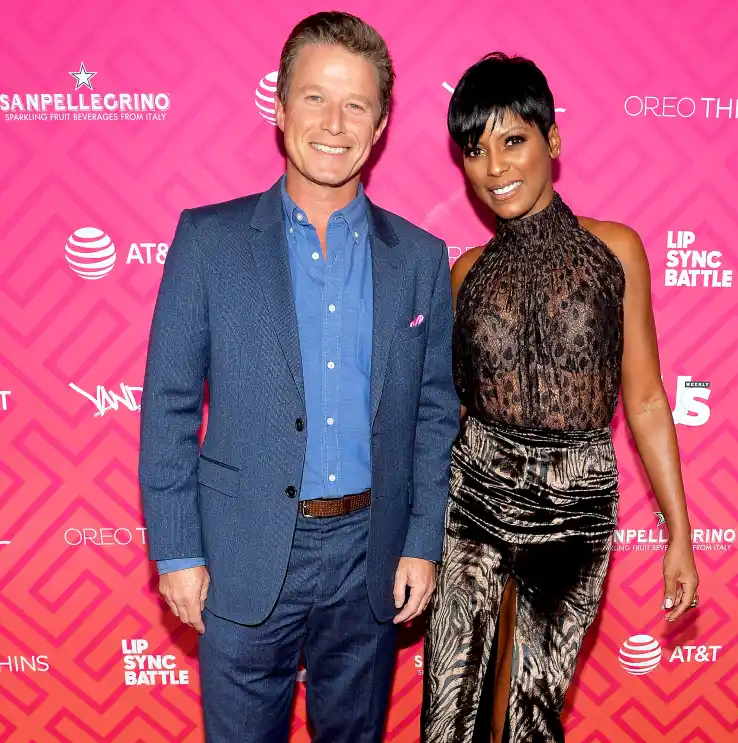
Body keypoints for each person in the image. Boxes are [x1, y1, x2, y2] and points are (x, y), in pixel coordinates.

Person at [138, 11, 460, 743]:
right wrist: (180, 549)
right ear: (279, 109)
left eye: (357, 105)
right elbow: (168, 404)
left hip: (369, 555)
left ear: (380, 127)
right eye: (315, 97)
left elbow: (437, 414)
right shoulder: (208, 240)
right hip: (243, 549)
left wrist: (420, 540)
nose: (335, 123)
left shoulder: (419, 258)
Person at [422, 53, 700, 743]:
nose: (494, 167)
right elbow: (448, 411)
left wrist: (680, 533)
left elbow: (643, 400)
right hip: (474, 495)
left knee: (530, 712)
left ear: (553, 141)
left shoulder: (616, 250)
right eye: (475, 150)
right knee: (449, 707)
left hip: (576, 500)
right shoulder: (465, 274)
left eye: (512, 140)